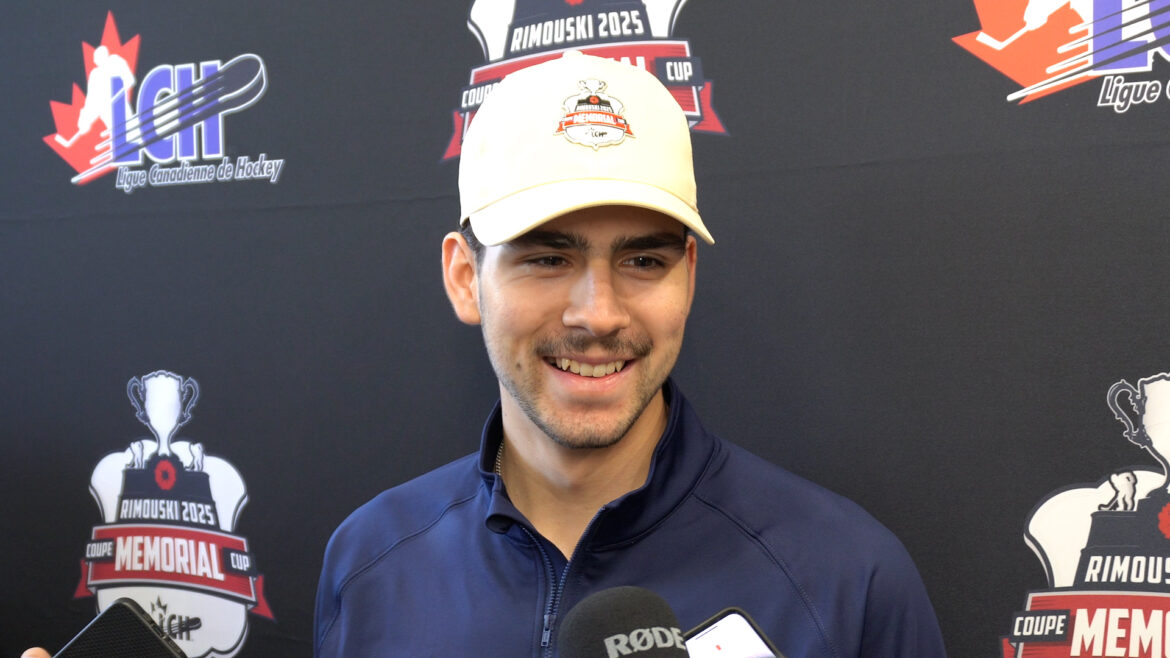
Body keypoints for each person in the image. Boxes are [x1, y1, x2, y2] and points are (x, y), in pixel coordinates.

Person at [314, 51, 947, 656]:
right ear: (464, 278)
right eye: (548, 259)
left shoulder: (846, 578)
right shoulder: (370, 564)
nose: (599, 314)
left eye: (643, 260)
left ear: (688, 277)